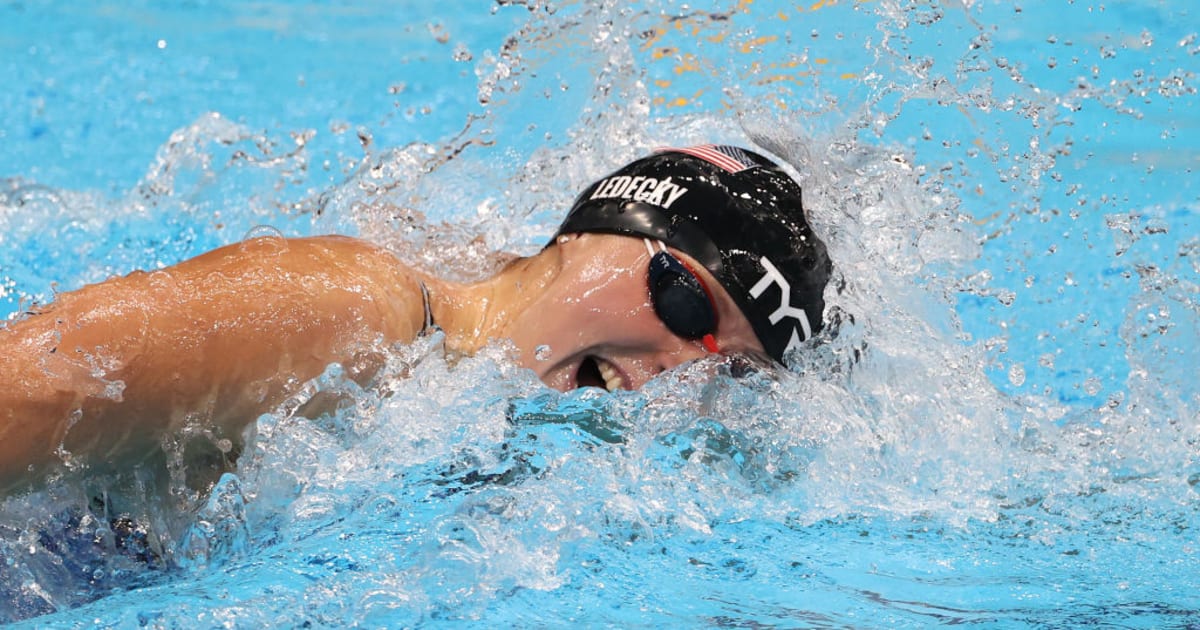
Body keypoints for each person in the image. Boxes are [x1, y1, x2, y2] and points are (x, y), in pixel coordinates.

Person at [0, 144, 831, 494]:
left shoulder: (475, 402)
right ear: (594, 231)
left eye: (730, 371)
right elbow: (35, 381)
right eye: (685, 300)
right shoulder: (355, 313)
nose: (680, 369)